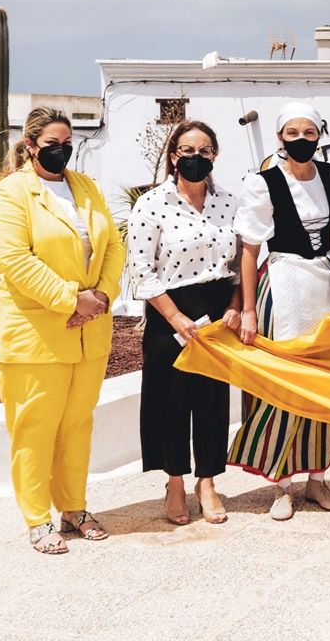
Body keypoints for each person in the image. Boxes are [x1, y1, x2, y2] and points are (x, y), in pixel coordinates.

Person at [0, 107, 126, 554]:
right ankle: (36, 517)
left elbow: (114, 244)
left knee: (77, 425)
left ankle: (73, 507)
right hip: (35, 332)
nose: (61, 150)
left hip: (88, 333)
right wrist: (72, 298)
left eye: (67, 142)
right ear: (30, 146)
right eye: (51, 143)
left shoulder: (84, 186)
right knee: (35, 428)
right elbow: (15, 261)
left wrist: (101, 295)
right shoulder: (11, 193)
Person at [230, 103, 330, 521]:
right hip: (285, 282)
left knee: (325, 380)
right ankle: (281, 483)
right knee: (286, 383)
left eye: (309, 133)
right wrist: (248, 310)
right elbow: (249, 249)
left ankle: (317, 476)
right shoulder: (262, 183)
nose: (301, 140)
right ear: (279, 137)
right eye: (292, 132)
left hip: (326, 282)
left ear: (319, 136)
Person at [128, 120, 242, 525]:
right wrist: (175, 317)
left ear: (215, 155)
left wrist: (235, 304)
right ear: (174, 156)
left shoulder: (230, 201)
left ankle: (207, 481)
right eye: (187, 151)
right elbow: (140, 268)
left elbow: (239, 263)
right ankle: (174, 481)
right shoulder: (151, 203)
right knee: (170, 402)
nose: (196, 158)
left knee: (212, 401)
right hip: (169, 309)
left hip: (216, 309)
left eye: (205, 151)